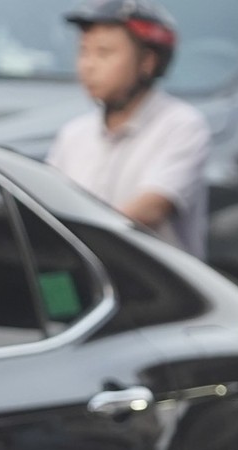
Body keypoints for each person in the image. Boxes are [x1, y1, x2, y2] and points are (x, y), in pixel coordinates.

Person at [47, 0, 210, 258]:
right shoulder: (73, 135)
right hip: (83, 279)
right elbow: (47, 211)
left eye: (104, 53)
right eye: (83, 51)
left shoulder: (182, 126)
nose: (88, 65)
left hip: (158, 289)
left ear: (147, 61)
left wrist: (76, 242)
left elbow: (150, 209)